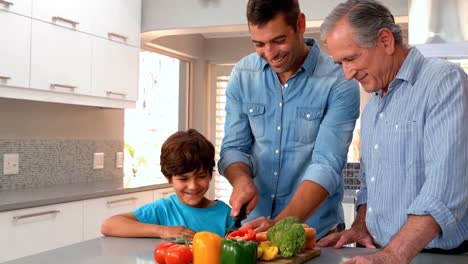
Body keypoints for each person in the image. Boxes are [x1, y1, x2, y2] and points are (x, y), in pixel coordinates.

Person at [317, 0, 468, 263]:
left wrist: (391, 256)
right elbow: (370, 185)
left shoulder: (444, 82)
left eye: (351, 58)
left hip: (434, 256)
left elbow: (444, 190)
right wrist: (362, 225)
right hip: (381, 253)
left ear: (385, 41)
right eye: (340, 63)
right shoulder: (373, 105)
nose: (348, 74)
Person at [218, 0, 360, 239]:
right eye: (259, 44)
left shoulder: (339, 81)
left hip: (316, 234)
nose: (270, 54)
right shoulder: (243, 75)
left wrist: (280, 225)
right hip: (255, 231)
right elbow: (233, 148)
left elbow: (326, 165)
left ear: (300, 24)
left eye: (278, 40)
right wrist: (241, 179)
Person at [101, 129, 234, 238]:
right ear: (169, 178)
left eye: (201, 176)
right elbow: (109, 225)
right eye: (183, 179)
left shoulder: (225, 213)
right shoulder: (162, 209)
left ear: (210, 175)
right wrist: (162, 231)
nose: (193, 186)